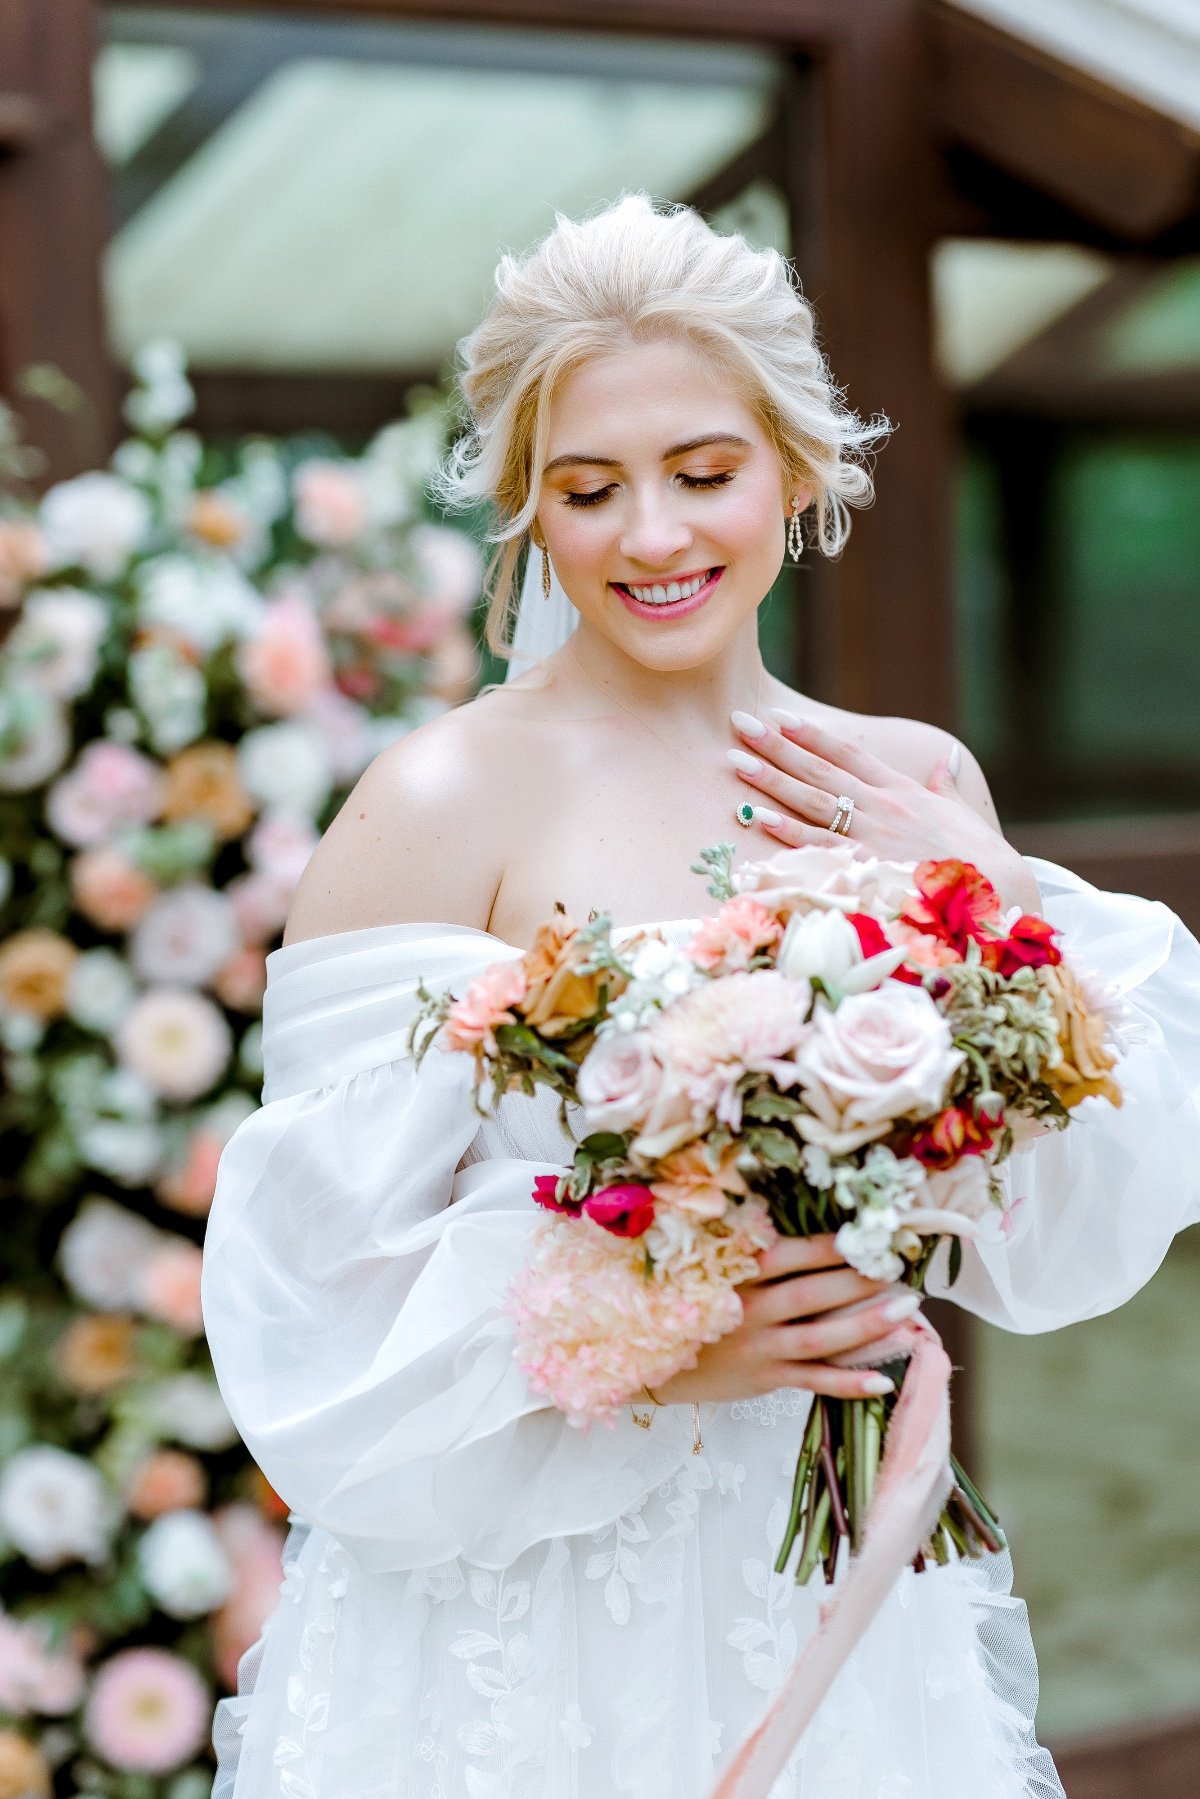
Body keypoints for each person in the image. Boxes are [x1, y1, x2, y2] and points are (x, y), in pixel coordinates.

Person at [201, 196, 1200, 1799]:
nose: (652, 537)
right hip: (511, 1606)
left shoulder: (909, 780)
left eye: (704, 473)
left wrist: (994, 887)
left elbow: (1058, 1210)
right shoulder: (438, 800)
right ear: (531, 508)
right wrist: (650, 1345)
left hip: (818, 1570)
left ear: (795, 473)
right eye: (588, 490)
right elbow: (311, 1293)